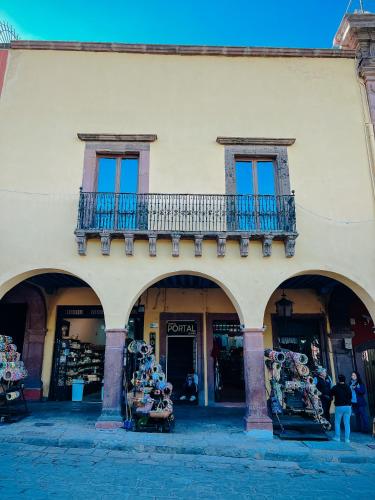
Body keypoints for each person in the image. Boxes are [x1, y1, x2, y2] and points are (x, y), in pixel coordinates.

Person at [330, 374, 352, 443]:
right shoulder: (348, 387)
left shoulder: (335, 387)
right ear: (344, 380)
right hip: (348, 406)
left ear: (338, 380)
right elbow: (350, 396)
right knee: (347, 423)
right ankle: (347, 439)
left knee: (337, 422)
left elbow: (330, 394)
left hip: (339, 406)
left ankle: (337, 437)